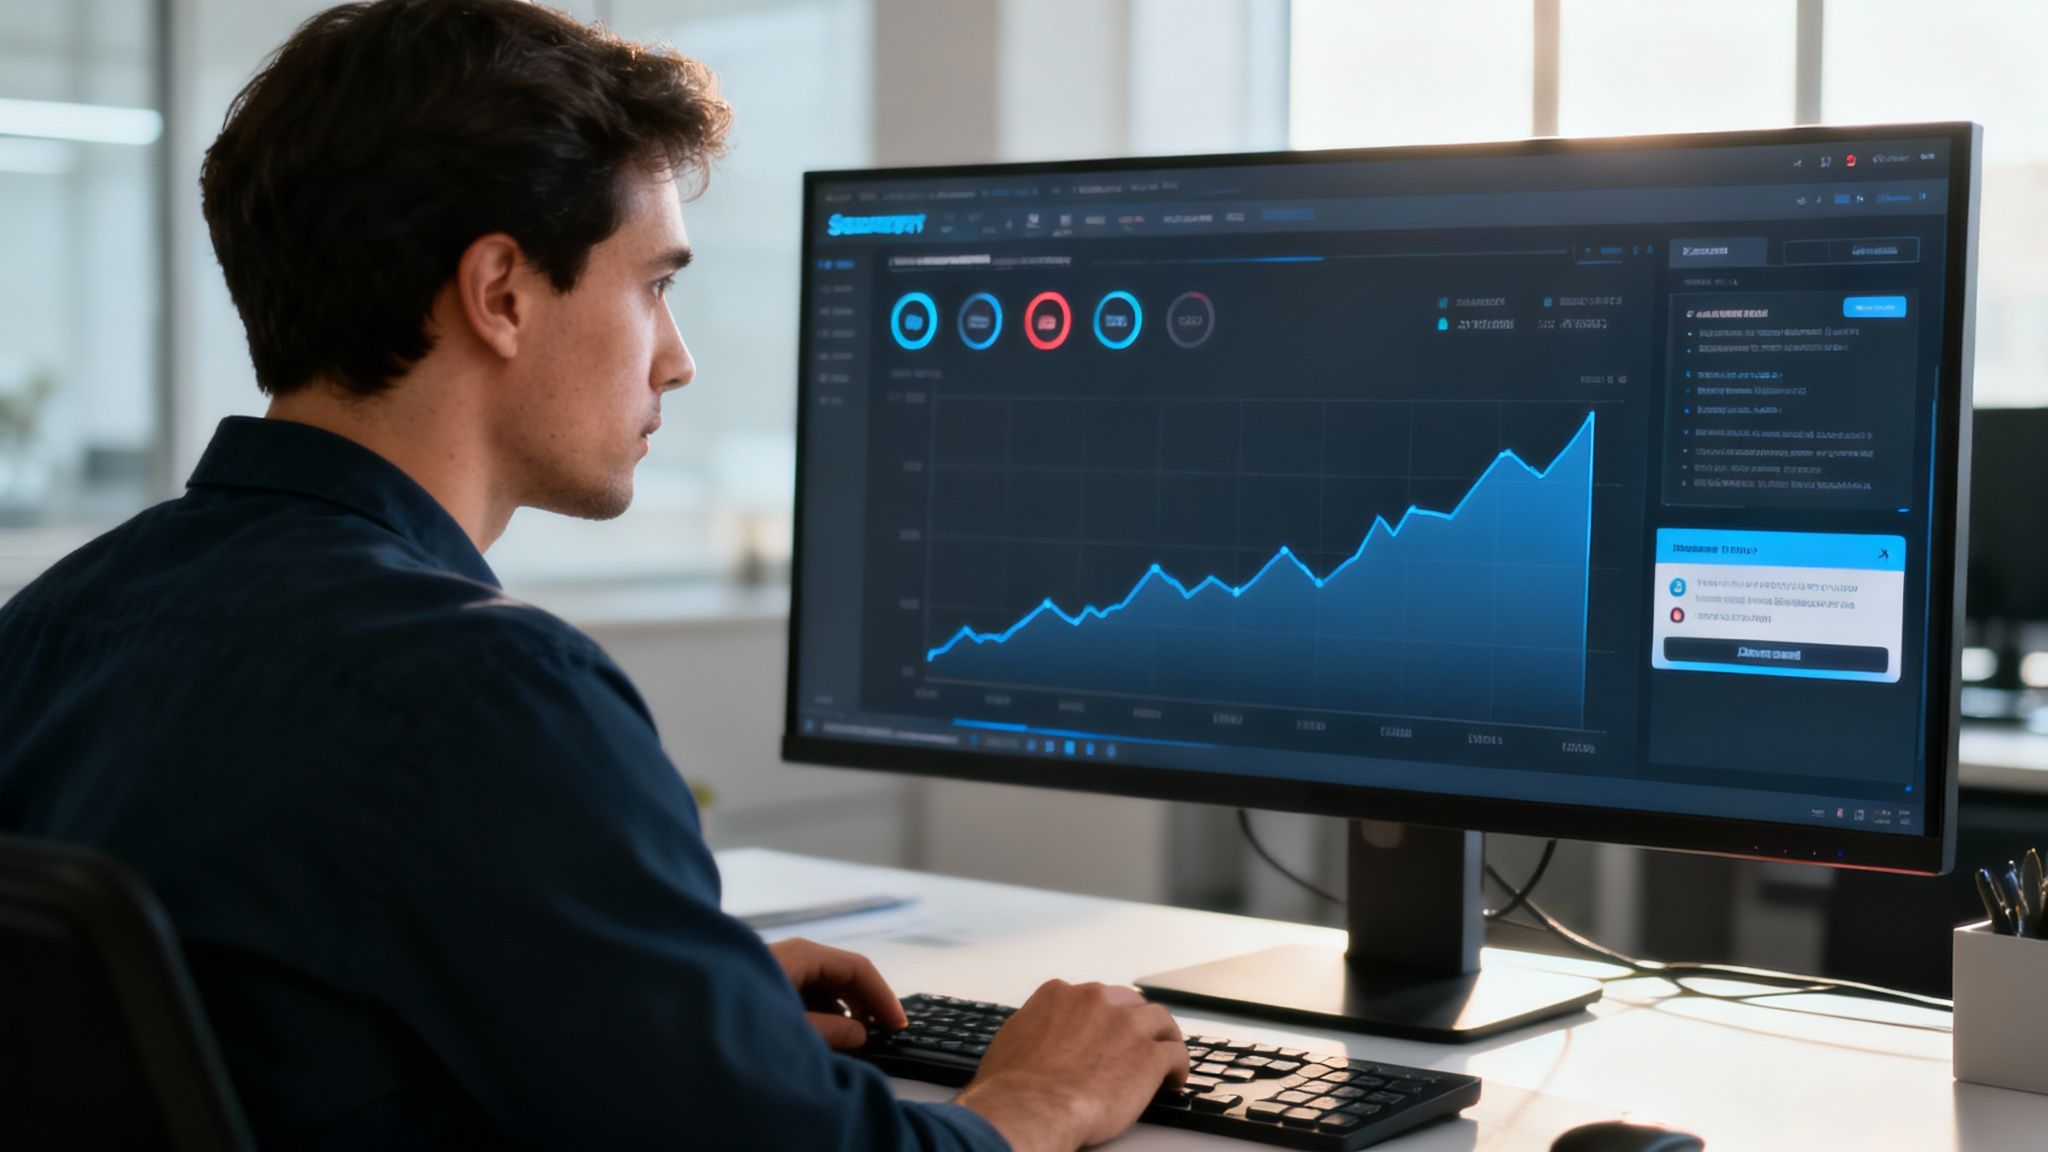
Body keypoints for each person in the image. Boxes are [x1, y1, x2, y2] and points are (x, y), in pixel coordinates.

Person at [0, 2, 1187, 1148]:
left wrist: (650, 1005)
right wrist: (1033, 1100)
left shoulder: (60, 621)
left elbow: (274, 1011)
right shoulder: (486, 690)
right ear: (501, 292)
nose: (673, 361)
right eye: (655, 284)